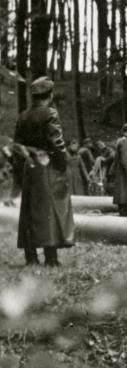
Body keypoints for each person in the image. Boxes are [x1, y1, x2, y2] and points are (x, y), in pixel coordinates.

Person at [13, 76, 74, 266]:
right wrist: (62, 164)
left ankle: (30, 256)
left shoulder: (23, 115)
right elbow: (57, 143)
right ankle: (51, 257)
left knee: (29, 211)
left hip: (28, 166)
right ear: (50, 94)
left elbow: (17, 146)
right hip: (46, 166)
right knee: (50, 210)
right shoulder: (50, 113)